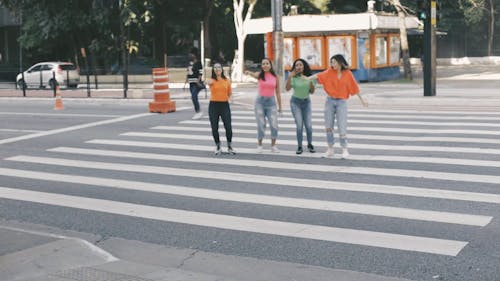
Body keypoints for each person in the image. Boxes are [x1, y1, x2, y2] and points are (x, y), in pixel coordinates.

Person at [309, 54, 368, 159]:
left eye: (334, 62)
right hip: (330, 101)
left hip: (342, 102)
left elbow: (355, 87)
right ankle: (330, 149)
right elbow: (318, 75)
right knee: (328, 126)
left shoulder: (348, 74)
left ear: (340, 62)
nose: (332, 64)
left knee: (342, 126)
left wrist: (362, 101)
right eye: (331, 62)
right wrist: (307, 78)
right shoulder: (329, 72)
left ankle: (344, 149)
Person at [244, 58, 282, 153]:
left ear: (270, 65)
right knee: (261, 125)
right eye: (263, 64)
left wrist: (280, 107)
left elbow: (277, 93)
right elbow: (252, 74)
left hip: (271, 103)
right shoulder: (259, 75)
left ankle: (273, 146)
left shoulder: (275, 77)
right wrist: (248, 72)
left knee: (274, 125)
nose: (265, 65)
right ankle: (260, 145)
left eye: (267, 63)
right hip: (260, 103)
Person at [285, 58, 316, 154]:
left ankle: (310, 144)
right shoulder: (293, 77)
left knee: (309, 126)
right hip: (295, 103)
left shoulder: (310, 77)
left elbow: (312, 91)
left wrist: (309, 80)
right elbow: (287, 89)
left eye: (300, 65)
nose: (298, 67)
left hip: (306, 103)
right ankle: (299, 146)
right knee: (299, 125)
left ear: (304, 66)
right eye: (296, 65)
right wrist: (290, 77)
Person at [206, 63, 235, 155]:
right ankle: (218, 145)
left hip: (224, 105)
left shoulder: (227, 80)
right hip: (213, 105)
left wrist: (231, 99)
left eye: (219, 67)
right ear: (213, 70)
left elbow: (230, 93)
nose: (217, 69)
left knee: (228, 127)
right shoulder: (212, 80)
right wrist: (207, 81)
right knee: (214, 128)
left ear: (222, 69)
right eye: (215, 68)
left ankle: (229, 146)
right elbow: (206, 81)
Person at [186, 49, 204, 120]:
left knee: (193, 97)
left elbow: (200, 73)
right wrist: (185, 82)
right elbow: (188, 73)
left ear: (195, 55)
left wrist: (198, 81)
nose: (190, 55)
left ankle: (198, 111)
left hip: (196, 83)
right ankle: (198, 110)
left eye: (192, 54)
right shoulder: (189, 63)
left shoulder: (198, 63)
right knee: (194, 97)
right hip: (191, 83)